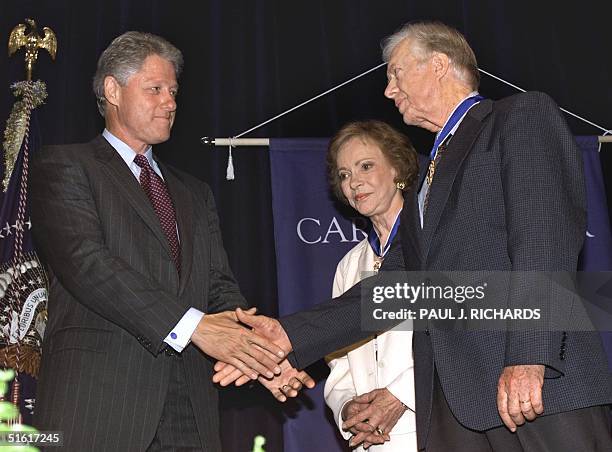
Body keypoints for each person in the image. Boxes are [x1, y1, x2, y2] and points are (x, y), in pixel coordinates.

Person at [216, 21, 612, 451]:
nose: (389, 90)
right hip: (457, 405)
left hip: (535, 388)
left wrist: (529, 355)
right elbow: (401, 289)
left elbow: (543, 242)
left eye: (395, 73)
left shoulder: (518, 117)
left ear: (439, 65)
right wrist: (289, 337)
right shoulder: (430, 176)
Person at [29, 31, 305, 451]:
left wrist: (260, 356)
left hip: (190, 410)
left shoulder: (194, 192)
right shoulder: (65, 166)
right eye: (156, 89)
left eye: (174, 91)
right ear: (112, 90)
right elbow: (88, 264)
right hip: (99, 405)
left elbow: (218, 288)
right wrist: (194, 327)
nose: (171, 102)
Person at [324, 120, 419, 451]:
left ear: (397, 169)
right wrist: (350, 410)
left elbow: (463, 338)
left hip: (435, 429)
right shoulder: (349, 266)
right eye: (345, 174)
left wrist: (400, 397)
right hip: (371, 441)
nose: (354, 182)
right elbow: (338, 359)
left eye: (366, 166)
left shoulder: (436, 245)